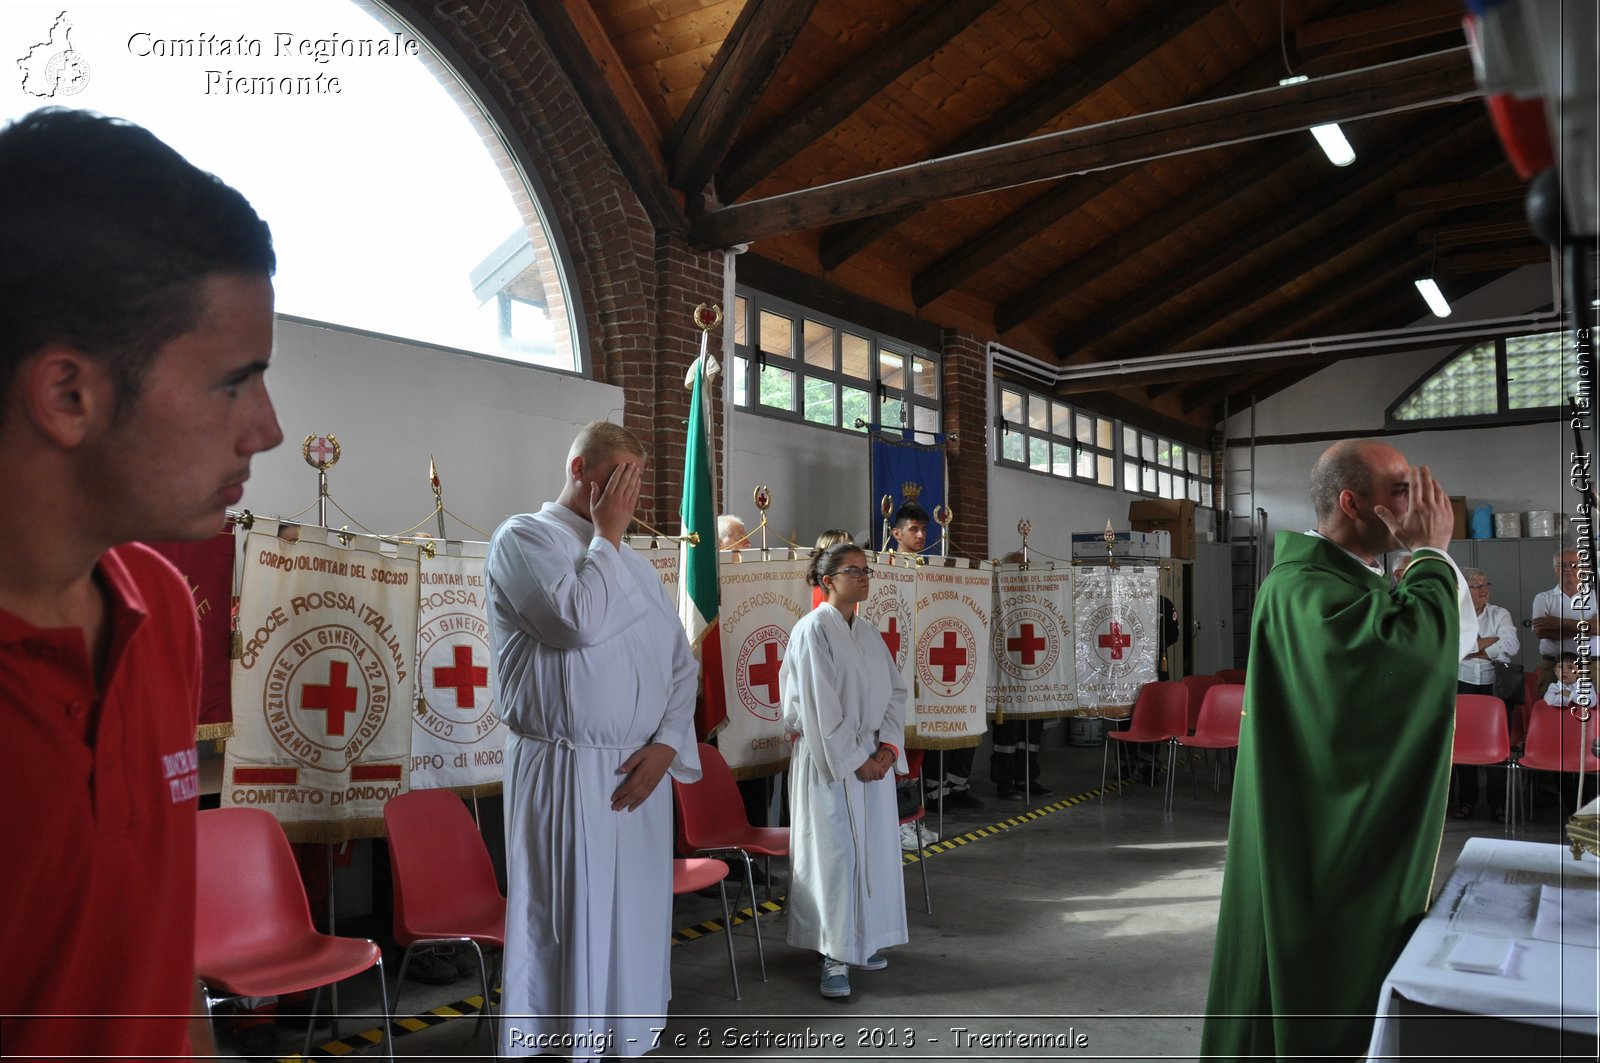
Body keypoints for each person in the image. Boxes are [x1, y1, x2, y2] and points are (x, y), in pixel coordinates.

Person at [0, 108, 282, 1058]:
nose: (268, 427)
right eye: (234, 381)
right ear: (69, 395)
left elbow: (157, 979)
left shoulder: (158, 609)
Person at [1202, 440, 1475, 1061]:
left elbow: (1426, 647)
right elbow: (1409, 651)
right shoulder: (1303, 586)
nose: (1424, 504)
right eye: (1402, 490)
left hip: (1317, 818)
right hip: (1313, 836)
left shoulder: (1347, 578)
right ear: (1354, 503)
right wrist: (1432, 553)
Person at [485, 420, 701, 1060]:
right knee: (566, 923)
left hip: (640, 773)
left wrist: (666, 745)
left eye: (636, 482)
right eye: (618, 480)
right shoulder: (524, 537)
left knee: (631, 924)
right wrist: (607, 535)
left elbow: (680, 666)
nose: (628, 497)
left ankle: (624, 1045)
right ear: (580, 469)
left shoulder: (635, 565)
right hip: (565, 770)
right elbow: (572, 620)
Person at [781, 542, 909, 999]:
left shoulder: (869, 632)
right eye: (853, 570)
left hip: (872, 762)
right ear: (828, 579)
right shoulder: (811, 631)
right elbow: (819, 709)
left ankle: (864, 939)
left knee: (871, 852)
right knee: (836, 858)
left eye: (866, 570)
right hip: (829, 763)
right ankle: (833, 955)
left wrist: (889, 750)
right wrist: (858, 761)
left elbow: (896, 693)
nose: (864, 577)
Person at [891, 502, 983, 810]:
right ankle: (928, 793)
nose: (920, 535)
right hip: (904, 664)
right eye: (913, 530)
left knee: (953, 717)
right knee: (916, 736)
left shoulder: (932, 568)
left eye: (923, 529)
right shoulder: (886, 568)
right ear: (896, 533)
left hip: (937, 656)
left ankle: (954, 787)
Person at [1453, 568, 1519, 821]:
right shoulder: (1455, 613)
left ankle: (1498, 803)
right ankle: (1466, 800)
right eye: (1476, 585)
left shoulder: (1499, 613)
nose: (1483, 589)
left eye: (1485, 584)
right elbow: (1451, 648)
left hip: (1495, 682)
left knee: (1497, 742)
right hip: (1463, 681)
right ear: (1464, 590)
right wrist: (1488, 643)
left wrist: (1471, 649)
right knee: (1465, 740)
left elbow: (1511, 645)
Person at [990, 553, 1052, 801]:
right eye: (1018, 569)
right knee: (1006, 737)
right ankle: (1004, 783)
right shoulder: (997, 601)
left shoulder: (1038, 601)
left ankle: (1027, 779)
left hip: (1033, 680)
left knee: (1031, 736)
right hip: (1006, 683)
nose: (1023, 575)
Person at [1530, 547, 1597, 688]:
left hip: (1592, 665)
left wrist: (1559, 623)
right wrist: (1587, 629)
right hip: (1554, 667)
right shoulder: (1543, 598)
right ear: (1555, 569)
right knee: (1549, 707)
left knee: (1594, 709)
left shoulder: (1596, 597)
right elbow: (1542, 632)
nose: (1568, 569)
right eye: (1562, 565)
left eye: (1574, 564)